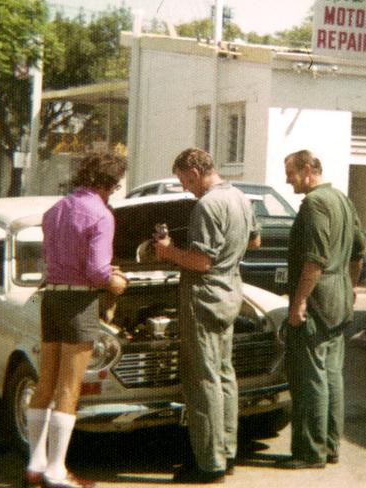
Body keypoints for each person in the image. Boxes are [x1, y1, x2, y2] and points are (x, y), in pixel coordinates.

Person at [153, 148, 260, 483]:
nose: (186, 188)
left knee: (202, 380)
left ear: (195, 172)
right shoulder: (240, 197)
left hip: (204, 298)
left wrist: (167, 251)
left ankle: (208, 463)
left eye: (185, 181)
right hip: (230, 293)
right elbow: (254, 241)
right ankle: (226, 453)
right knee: (224, 375)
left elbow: (201, 262)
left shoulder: (207, 204)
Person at [24, 152, 128, 488]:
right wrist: (117, 282)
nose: (113, 191)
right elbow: (97, 272)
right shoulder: (101, 214)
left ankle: (35, 465)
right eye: (114, 185)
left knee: (46, 383)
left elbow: (59, 258)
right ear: (108, 183)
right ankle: (56, 471)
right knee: (70, 388)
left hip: (52, 296)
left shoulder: (55, 210)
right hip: (79, 302)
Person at [278, 149, 366, 470]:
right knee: (331, 375)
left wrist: (299, 302)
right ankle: (330, 447)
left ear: (306, 169)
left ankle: (309, 451)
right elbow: (360, 250)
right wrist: (351, 286)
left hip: (318, 301)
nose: (287, 180)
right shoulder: (341, 199)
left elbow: (314, 261)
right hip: (339, 298)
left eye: (290, 172)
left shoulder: (315, 204)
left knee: (310, 377)